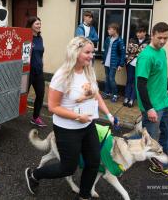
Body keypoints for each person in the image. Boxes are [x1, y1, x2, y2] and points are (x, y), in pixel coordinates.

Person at [25, 36, 117, 199]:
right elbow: (53, 107)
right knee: (67, 168)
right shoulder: (62, 75)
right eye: (87, 52)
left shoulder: (89, 71)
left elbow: (95, 95)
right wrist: (77, 117)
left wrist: (108, 114)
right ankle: (34, 174)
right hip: (67, 129)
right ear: (75, 52)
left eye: (92, 52)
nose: (91, 56)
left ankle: (84, 195)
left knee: (94, 162)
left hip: (88, 125)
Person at [136, 22, 168, 178]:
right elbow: (140, 85)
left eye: (166, 38)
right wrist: (149, 108)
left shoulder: (162, 52)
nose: (162, 41)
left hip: (165, 102)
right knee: (151, 139)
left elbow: (162, 74)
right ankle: (151, 161)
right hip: (152, 106)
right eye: (160, 37)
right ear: (152, 35)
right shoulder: (146, 56)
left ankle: (161, 159)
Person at [26, 16, 46, 127]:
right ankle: (10, 114)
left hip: (38, 72)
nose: (39, 26)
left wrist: (42, 65)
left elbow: (41, 54)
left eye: (40, 24)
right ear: (31, 25)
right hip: (27, 72)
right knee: (22, 95)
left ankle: (35, 117)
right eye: (37, 24)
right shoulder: (25, 37)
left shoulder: (40, 38)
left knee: (41, 94)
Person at [123, 27, 150, 107]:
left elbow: (146, 53)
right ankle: (126, 97)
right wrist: (139, 49)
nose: (138, 34)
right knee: (129, 81)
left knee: (136, 82)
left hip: (141, 65)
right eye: (137, 32)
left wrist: (136, 49)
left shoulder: (149, 41)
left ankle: (132, 99)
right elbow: (130, 50)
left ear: (144, 33)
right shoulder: (132, 39)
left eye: (140, 32)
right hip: (131, 63)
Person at [101, 23, 125, 102]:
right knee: (107, 78)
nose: (108, 30)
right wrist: (103, 59)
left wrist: (121, 64)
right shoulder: (108, 39)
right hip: (106, 62)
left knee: (111, 79)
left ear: (115, 30)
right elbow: (105, 49)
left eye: (109, 29)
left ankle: (115, 94)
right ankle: (107, 92)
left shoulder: (120, 41)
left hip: (114, 63)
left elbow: (122, 53)